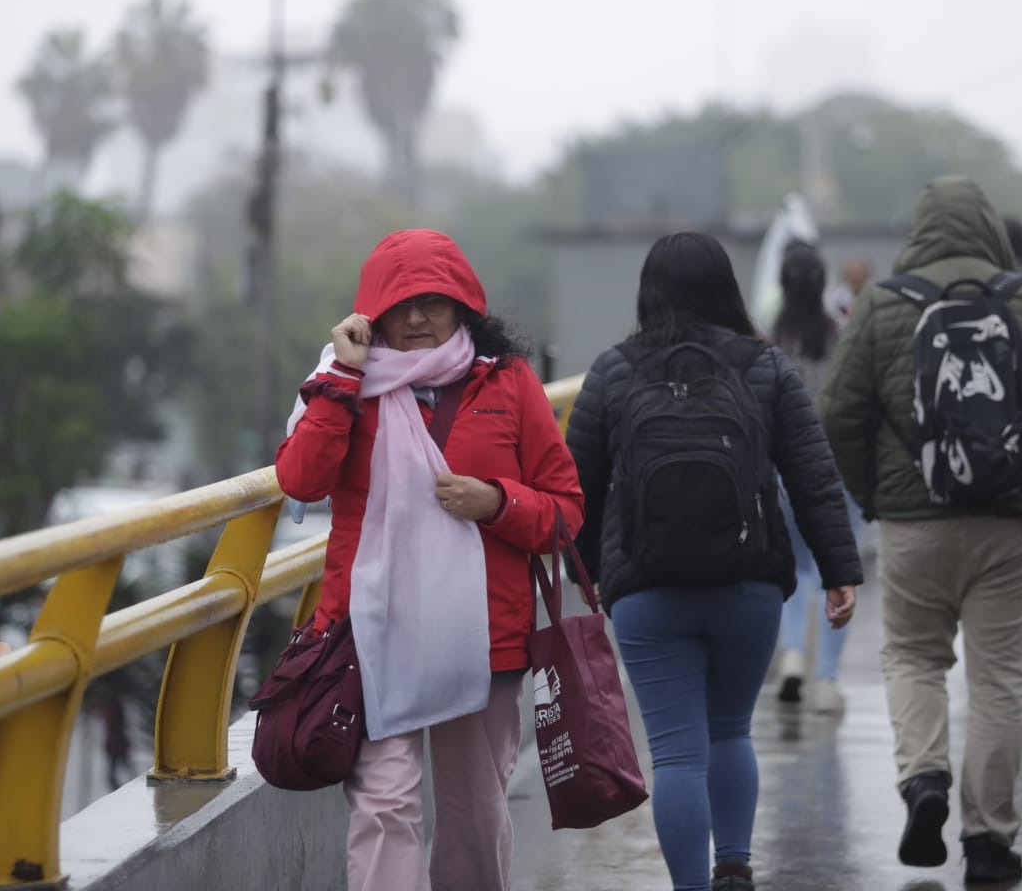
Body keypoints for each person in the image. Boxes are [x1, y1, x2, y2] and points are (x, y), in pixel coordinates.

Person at [819, 177, 1022, 884]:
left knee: (913, 656)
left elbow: (836, 412)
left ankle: (924, 778)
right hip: (1016, 520)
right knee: (1001, 677)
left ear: (919, 231)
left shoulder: (882, 304)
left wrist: (875, 495)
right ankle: (989, 841)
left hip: (914, 521)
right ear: (990, 231)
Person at [274, 228, 584, 891]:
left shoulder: (508, 382)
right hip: (372, 635)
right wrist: (342, 376)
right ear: (371, 314)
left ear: (463, 307)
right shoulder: (343, 384)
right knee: (384, 805)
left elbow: (566, 510)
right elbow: (299, 480)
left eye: (433, 303)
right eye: (399, 305)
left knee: (475, 815)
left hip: (483, 639)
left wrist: (497, 502)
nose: (416, 318)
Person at [564, 231, 861, 891]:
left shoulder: (612, 371)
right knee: (730, 731)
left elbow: (576, 485)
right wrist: (839, 570)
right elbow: (813, 476)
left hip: (645, 588)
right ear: (727, 289)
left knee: (675, 753)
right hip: (747, 583)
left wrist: (586, 574)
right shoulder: (766, 367)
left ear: (648, 292)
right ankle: (734, 866)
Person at [770, 241, 864, 714]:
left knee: (794, 568)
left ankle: (791, 654)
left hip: (783, 471)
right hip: (836, 470)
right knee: (837, 572)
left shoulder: (769, 344)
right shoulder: (841, 336)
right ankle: (826, 679)